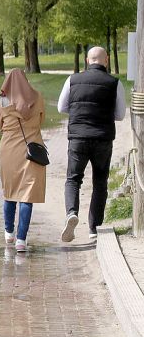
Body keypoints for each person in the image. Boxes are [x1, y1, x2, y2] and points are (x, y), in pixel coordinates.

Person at [58, 46, 127, 241]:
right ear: (106, 61)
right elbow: (121, 115)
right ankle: (94, 228)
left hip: (78, 138)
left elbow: (62, 106)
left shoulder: (72, 80)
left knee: (73, 179)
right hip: (103, 139)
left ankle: (72, 213)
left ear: (88, 61)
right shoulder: (114, 83)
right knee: (100, 182)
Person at [0, 69, 47, 253]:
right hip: (31, 150)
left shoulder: (2, 101)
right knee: (27, 194)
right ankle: (21, 240)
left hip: (9, 149)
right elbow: (42, 121)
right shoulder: (38, 97)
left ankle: (8, 232)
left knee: (10, 191)